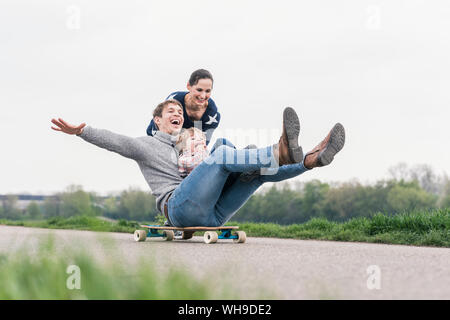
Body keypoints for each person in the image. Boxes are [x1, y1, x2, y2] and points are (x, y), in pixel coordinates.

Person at [51, 101, 345, 227]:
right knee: (224, 155)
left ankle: (309, 161)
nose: (178, 113)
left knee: (252, 170)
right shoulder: (145, 144)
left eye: (179, 111)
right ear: (158, 120)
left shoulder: (191, 144)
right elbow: (114, 140)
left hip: (214, 217)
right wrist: (81, 131)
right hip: (178, 208)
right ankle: (278, 151)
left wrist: (306, 163)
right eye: (171, 111)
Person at [146, 69, 220, 145]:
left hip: (188, 150)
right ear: (189, 86)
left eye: (207, 91)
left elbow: (201, 145)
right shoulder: (175, 100)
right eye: (199, 90)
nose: (203, 96)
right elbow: (155, 128)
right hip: (162, 144)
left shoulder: (212, 116)